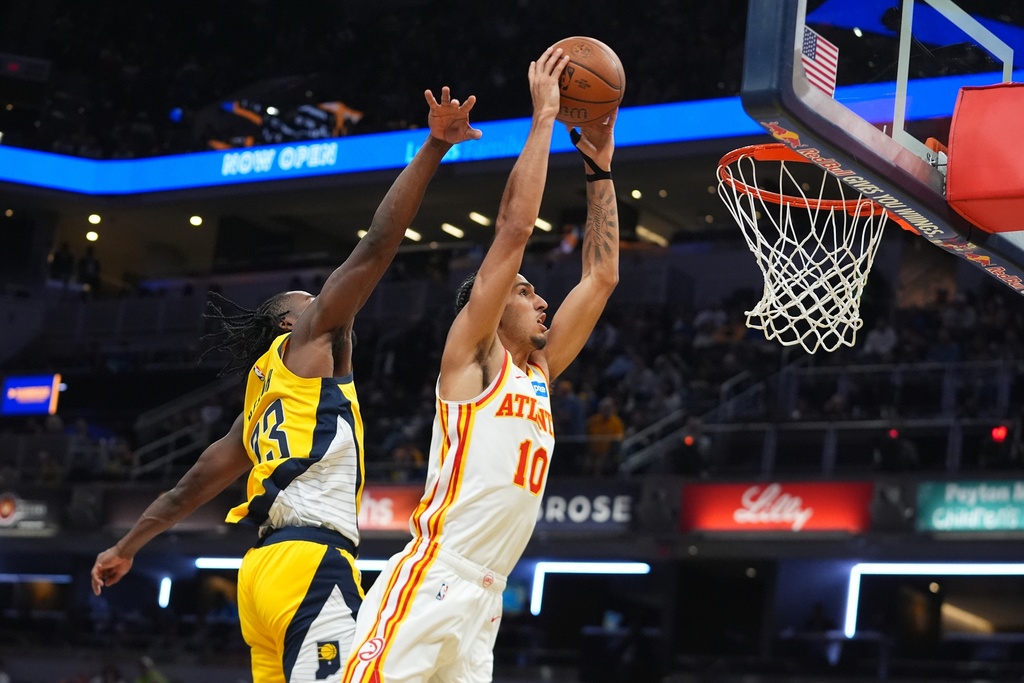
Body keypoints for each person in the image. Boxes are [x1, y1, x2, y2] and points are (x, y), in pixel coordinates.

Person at [89, 86, 482, 683]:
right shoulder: (307, 343)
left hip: (259, 577)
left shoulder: (258, 398)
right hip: (309, 563)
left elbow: (187, 488)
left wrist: (127, 546)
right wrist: (432, 147)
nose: (328, 304)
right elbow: (377, 246)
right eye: (313, 302)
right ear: (290, 322)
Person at [344, 45, 620, 682]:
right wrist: (546, 116)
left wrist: (600, 167)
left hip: (486, 600)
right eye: (524, 290)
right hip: (435, 574)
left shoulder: (539, 373)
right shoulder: (472, 359)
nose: (541, 296)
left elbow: (601, 277)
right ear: (488, 308)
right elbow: (515, 231)